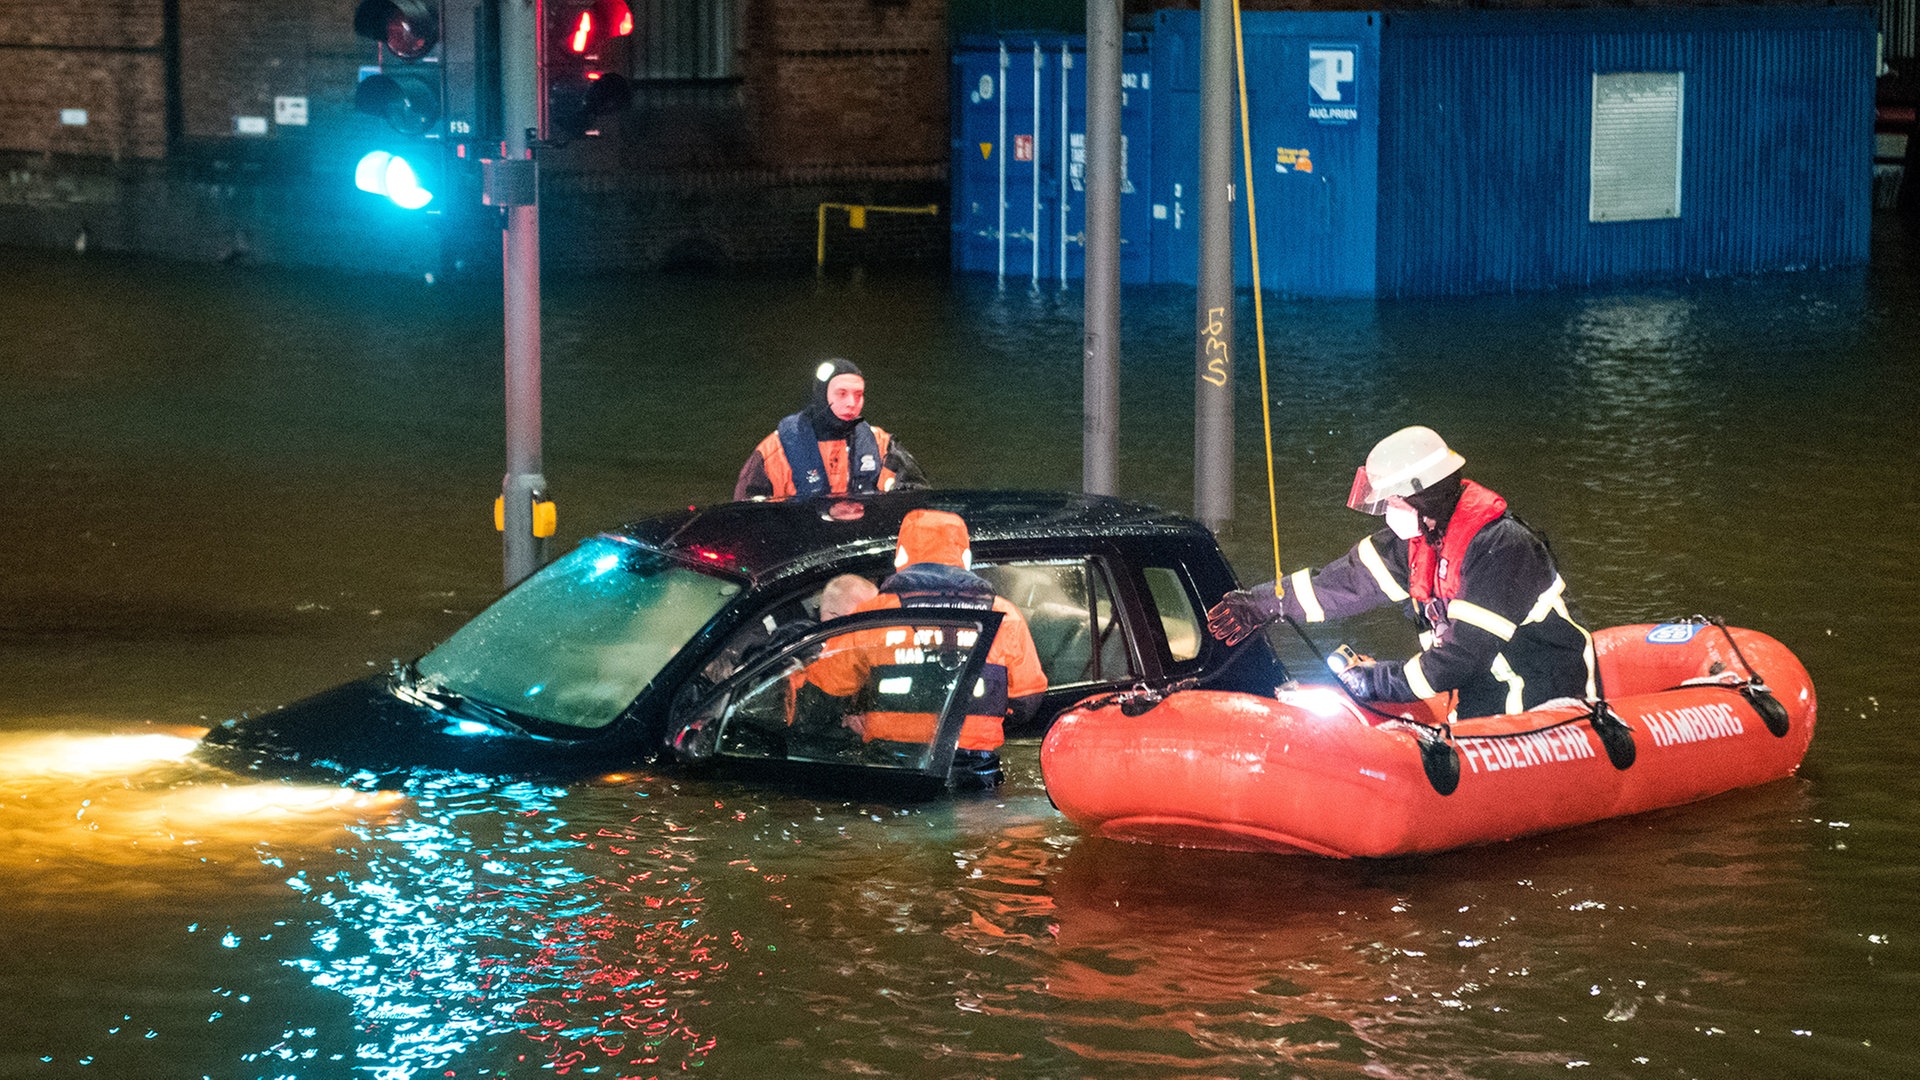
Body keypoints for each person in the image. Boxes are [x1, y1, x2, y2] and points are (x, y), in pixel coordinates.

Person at [1206, 426, 1596, 720]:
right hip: (1480, 704)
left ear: (1423, 494)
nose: (1389, 511)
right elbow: (1339, 585)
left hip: (1543, 704)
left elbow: (1463, 658)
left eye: (1394, 500)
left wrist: (1374, 681)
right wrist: (1260, 604)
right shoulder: (1416, 542)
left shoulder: (1502, 548)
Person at [805, 509, 1048, 786]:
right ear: (965, 559)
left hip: (893, 769)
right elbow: (1027, 701)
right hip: (974, 773)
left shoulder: (873, 614)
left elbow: (825, 687)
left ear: (901, 557)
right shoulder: (1005, 615)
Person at [734, 359, 926, 501]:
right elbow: (746, 515)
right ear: (821, 395)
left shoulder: (883, 446)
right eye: (841, 394)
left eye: (858, 395)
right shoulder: (773, 453)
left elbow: (918, 498)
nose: (852, 403)